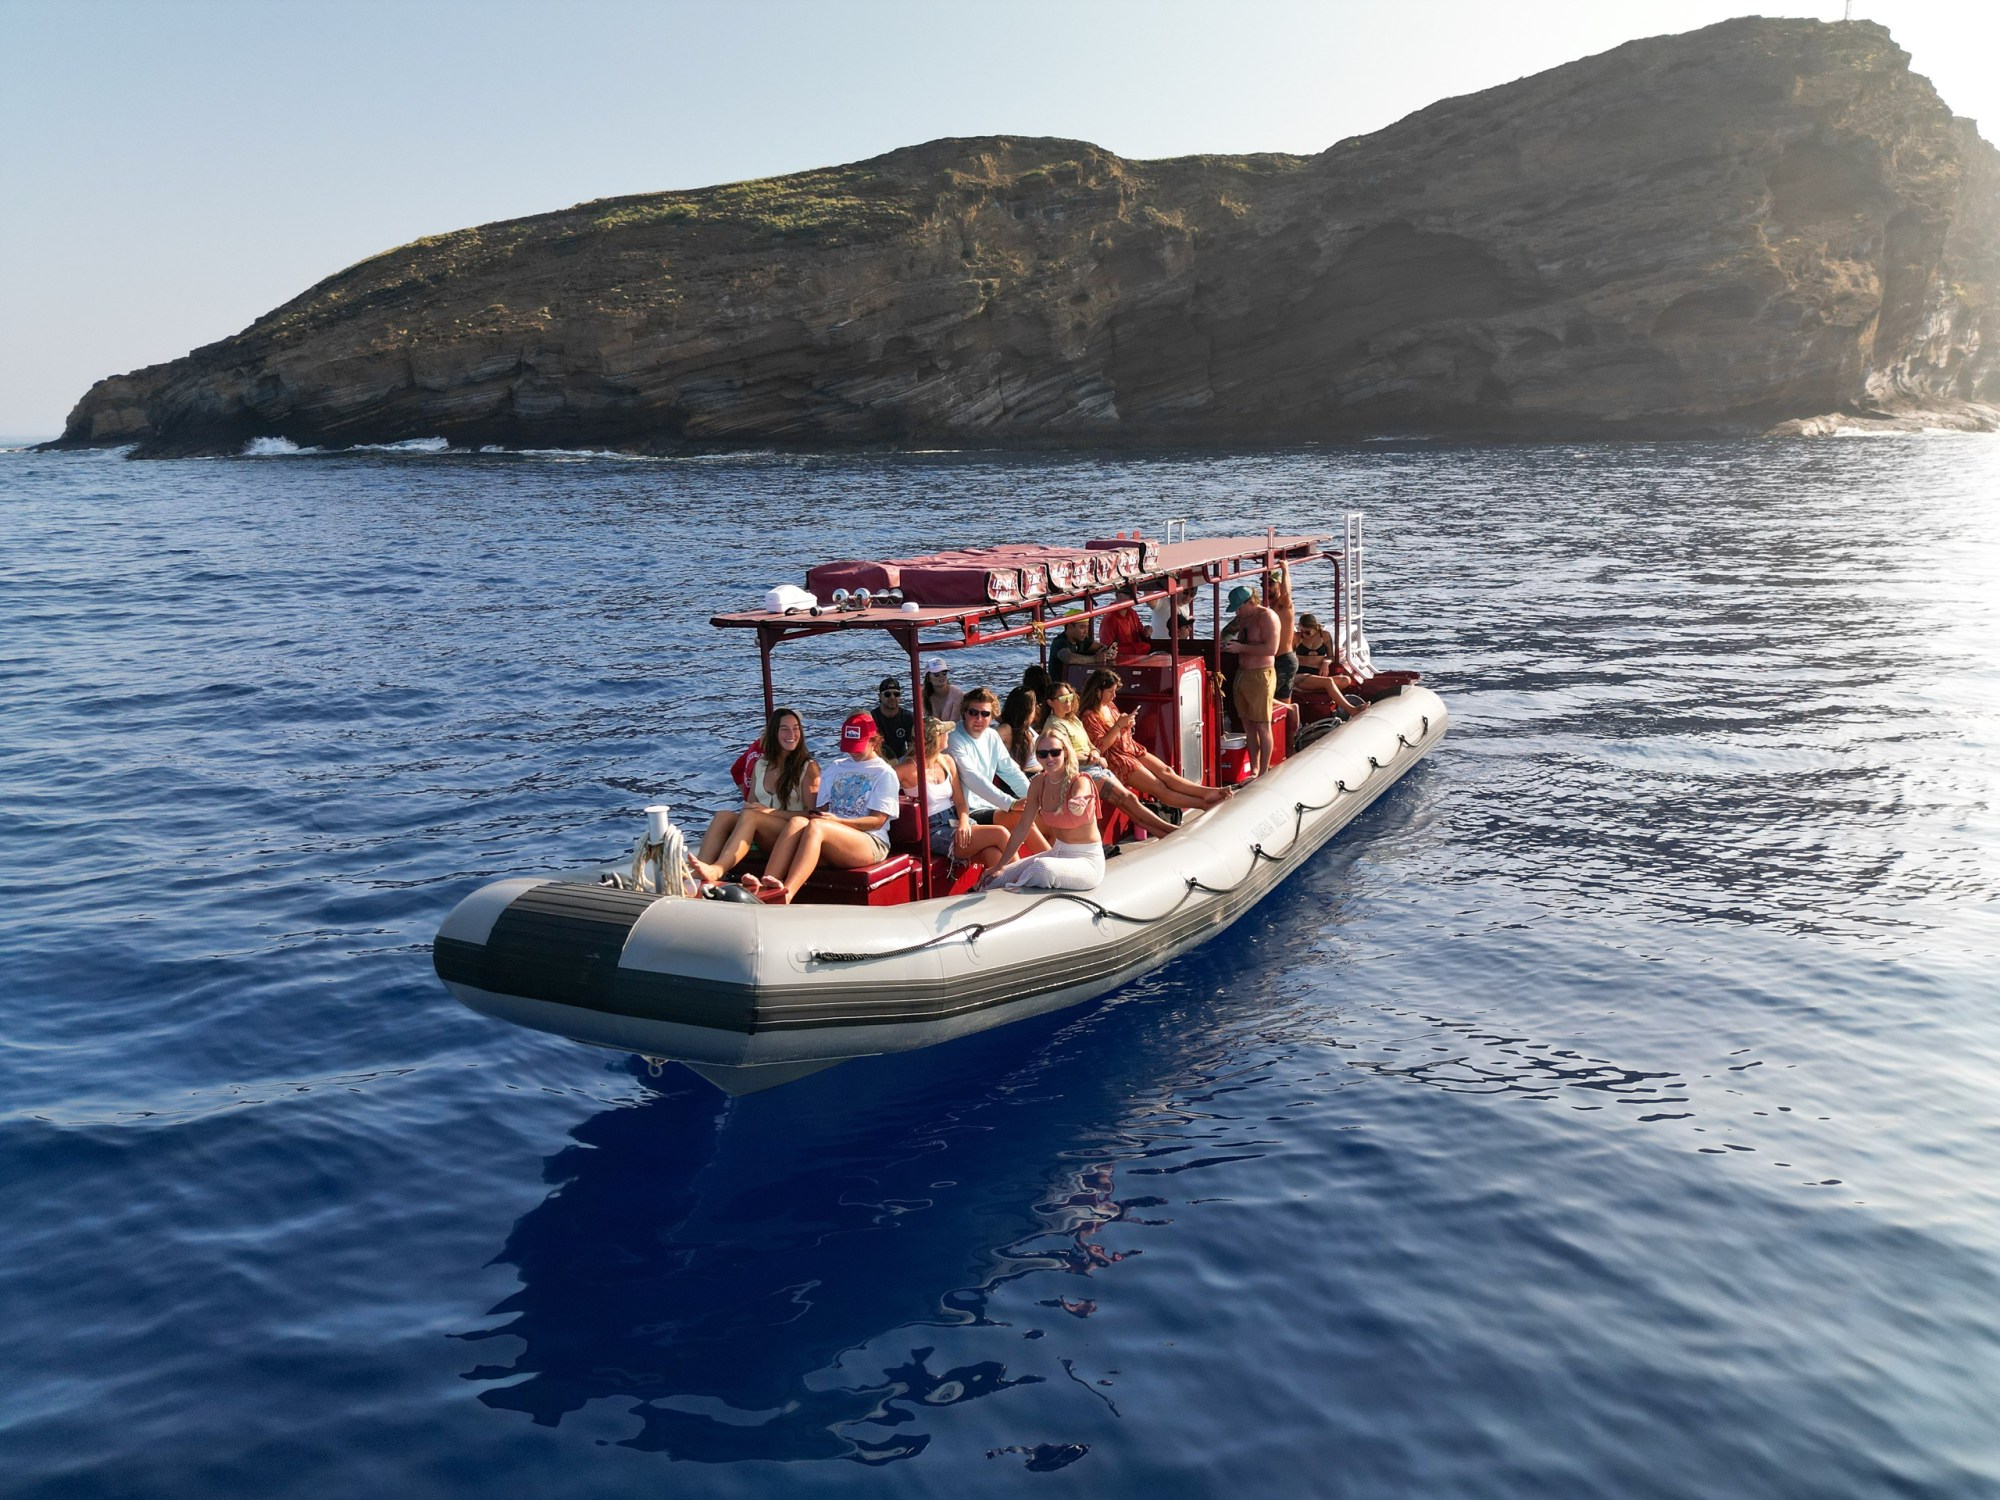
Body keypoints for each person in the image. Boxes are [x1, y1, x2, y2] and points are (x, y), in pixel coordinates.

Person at [755, 712, 901, 904]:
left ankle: (788, 893)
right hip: (834, 834)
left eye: (858, 747)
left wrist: (838, 821)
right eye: (849, 748)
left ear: (874, 741)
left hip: (870, 840)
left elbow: (877, 821)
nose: (853, 752)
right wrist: (821, 817)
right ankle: (765, 887)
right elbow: (821, 808)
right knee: (799, 821)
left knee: (817, 827)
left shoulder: (884, 773)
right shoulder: (835, 767)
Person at [691, 708, 819, 884]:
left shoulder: (808, 768)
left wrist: (771, 813)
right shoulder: (761, 765)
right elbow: (750, 805)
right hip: (760, 835)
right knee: (723, 816)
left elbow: (812, 815)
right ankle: (699, 875)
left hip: (790, 836)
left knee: (753, 817)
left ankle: (718, 870)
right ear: (774, 733)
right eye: (785, 729)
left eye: (796, 728)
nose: (792, 734)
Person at [1079, 668, 1229, 811]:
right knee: (1159, 788)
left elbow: (1118, 731)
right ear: (1098, 692)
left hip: (1129, 747)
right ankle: (1202, 804)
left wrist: (1127, 725)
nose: (1114, 696)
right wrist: (1119, 725)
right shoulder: (1089, 716)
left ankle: (1206, 792)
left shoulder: (1110, 706)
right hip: (1116, 759)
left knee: (1167, 771)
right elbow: (1101, 747)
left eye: (1114, 691)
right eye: (1110, 692)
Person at [1042, 682, 1178, 838]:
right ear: (1050, 702)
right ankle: (1170, 831)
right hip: (1082, 772)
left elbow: (1089, 744)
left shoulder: (1073, 720)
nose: (1068, 701)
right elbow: (1064, 755)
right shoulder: (1053, 727)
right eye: (1063, 698)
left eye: (1070, 696)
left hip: (1095, 767)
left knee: (1126, 802)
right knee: (1128, 798)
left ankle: (1164, 833)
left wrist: (1094, 752)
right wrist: (1093, 758)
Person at [981, 732, 1106, 891]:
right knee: (994, 880)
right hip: (1057, 854)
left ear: (1065, 752)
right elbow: (1023, 827)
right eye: (1043, 754)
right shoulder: (1038, 782)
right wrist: (999, 865)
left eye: (1055, 752)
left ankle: (1019, 892)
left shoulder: (1080, 780)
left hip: (1087, 861)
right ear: (1037, 757)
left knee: (1042, 868)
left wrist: (1078, 802)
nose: (1049, 758)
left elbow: (1081, 795)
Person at [897, 716, 1011, 872]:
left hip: (956, 820)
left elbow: (960, 803)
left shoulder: (947, 761)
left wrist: (964, 822)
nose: (948, 735)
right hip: (934, 829)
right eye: (945, 732)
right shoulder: (907, 769)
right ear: (936, 739)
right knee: (1000, 833)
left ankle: (1002, 888)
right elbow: (880, 781)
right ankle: (1023, 880)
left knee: (993, 855)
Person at [948, 688, 1049, 855]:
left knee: (1046, 817)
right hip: (967, 811)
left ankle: (1051, 864)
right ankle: (1052, 865)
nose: (979, 718)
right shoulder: (954, 738)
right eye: (973, 712)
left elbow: (1011, 771)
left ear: (992, 716)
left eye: (985, 714)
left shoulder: (991, 736)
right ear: (964, 712)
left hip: (990, 805)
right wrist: (1010, 803)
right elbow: (972, 778)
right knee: (1019, 818)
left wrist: (1034, 797)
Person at [1220, 582, 1280, 778]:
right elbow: (1224, 633)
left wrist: (1241, 648)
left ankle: (1264, 769)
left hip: (1260, 675)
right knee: (1247, 724)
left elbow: (1271, 649)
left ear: (1249, 603)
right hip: (1242, 674)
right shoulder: (1244, 619)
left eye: (1238, 608)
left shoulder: (1267, 617)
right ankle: (1254, 769)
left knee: (1262, 723)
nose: (1237, 612)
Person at [1294, 612, 1368, 714]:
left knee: (1346, 680)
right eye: (1301, 631)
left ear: (1315, 628)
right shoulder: (1297, 637)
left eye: (1307, 632)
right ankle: (1352, 710)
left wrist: (1326, 662)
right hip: (1301, 675)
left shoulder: (1324, 636)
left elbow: (1331, 656)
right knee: (1328, 682)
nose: (1304, 635)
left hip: (1318, 675)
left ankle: (1307, 690)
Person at [1047, 610, 1104, 680]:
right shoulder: (1060, 642)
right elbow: (1069, 658)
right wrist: (1094, 659)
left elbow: (1101, 647)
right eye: (1082, 627)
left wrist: (1108, 653)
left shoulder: (1082, 640)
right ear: (1070, 627)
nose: (1086, 631)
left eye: (1087, 627)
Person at [1098, 586, 1151, 659]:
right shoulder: (1109, 619)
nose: (1132, 598)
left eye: (1133, 595)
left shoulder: (1133, 613)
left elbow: (1141, 632)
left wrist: (1146, 632)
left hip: (1137, 657)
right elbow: (1107, 649)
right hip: (1122, 660)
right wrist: (1138, 648)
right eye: (1128, 594)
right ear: (1117, 595)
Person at [996, 685, 1040, 772]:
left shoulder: (1024, 727)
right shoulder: (1006, 729)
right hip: (1025, 778)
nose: (1037, 708)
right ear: (1028, 709)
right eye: (1035, 705)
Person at [871, 675, 915, 761]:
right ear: (880, 696)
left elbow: (912, 745)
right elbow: (871, 747)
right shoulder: (872, 718)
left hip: (902, 758)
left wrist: (903, 762)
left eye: (896, 694)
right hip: (879, 759)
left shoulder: (908, 717)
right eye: (887, 694)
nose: (892, 697)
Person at [921, 655, 963, 726]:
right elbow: (923, 719)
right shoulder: (922, 694)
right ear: (929, 678)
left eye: (944, 673)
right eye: (936, 674)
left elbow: (955, 724)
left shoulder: (957, 693)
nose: (941, 676)